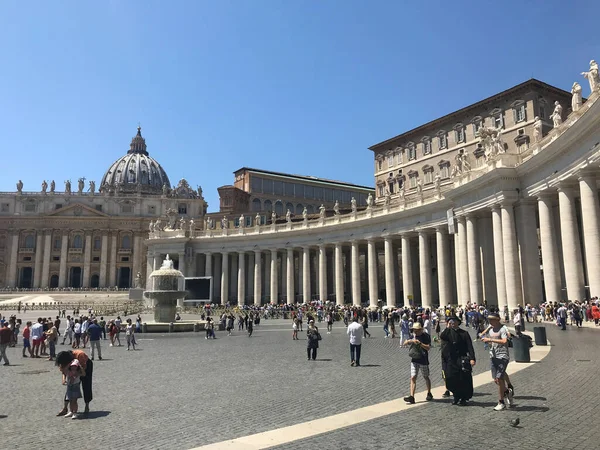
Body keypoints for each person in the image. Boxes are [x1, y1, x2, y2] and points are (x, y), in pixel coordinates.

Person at [439, 315, 476, 406]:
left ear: (458, 322)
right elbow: (442, 337)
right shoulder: (447, 332)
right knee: (451, 378)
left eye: (454, 321)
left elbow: (469, 346)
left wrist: (472, 358)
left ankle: (463, 397)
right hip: (451, 359)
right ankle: (456, 395)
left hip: (462, 358)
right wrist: (447, 328)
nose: (452, 323)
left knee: (463, 379)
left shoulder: (464, 333)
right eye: (450, 321)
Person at [481, 314, 514, 411]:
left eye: (492, 320)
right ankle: (508, 392)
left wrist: (490, 339)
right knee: (497, 380)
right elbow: (481, 336)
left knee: (499, 378)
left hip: (502, 356)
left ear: (498, 320)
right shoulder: (490, 329)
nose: (490, 322)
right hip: (493, 356)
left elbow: (504, 341)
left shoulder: (503, 329)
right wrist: (487, 331)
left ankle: (501, 402)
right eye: (489, 320)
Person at [55, 350, 93, 416]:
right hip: (74, 370)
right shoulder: (65, 360)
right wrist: (64, 379)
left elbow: (84, 369)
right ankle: (65, 408)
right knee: (69, 387)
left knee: (86, 385)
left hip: (86, 366)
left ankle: (87, 405)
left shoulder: (80, 355)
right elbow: (64, 370)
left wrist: (74, 376)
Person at [403, 323, 432, 404]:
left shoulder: (426, 336)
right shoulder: (413, 335)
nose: (415, 331)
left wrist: (420, 343)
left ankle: (429, 393)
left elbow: (428, 347)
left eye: (417, 330)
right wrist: (411, 341)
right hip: (414, 359)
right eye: (414, 330)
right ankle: (412, 396)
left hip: (423, 360)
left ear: (421, 330)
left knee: (426, 376)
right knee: (413, 377)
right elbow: (405, 343)